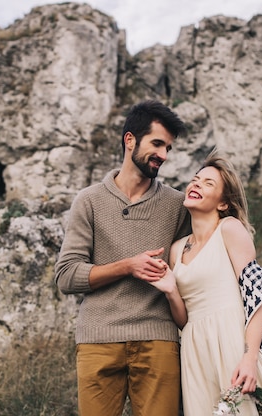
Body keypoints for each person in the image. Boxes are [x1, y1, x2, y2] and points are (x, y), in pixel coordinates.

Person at [54, 100, 191, 416]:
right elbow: (66, 276)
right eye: (157, 143)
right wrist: (129, 265)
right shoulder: (88, 201)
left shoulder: (176, 205)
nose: (164, 155)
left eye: (168, 147)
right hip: (98, 339)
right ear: (130, 140)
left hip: (159, 338)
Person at [150, 149, 262, 415]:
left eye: (208, 183)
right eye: (195, 179)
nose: (196, 184)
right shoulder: (176, 249)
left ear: (223, 203)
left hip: (230, 339)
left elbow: (256, 296)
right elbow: (184, 320)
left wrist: (249, 359)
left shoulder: (229, 229)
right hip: (194, 350)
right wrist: (171, 290)